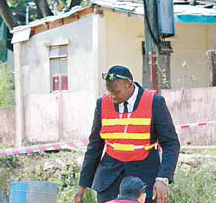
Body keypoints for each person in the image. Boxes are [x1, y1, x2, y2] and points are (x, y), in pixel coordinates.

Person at [74, 65, 180, 203]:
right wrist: (83, 185)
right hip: (109, 180)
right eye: (109, 91)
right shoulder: (102, 103)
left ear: (129, 84)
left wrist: (162, 178)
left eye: (116, 92)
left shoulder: (154, 102)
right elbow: (95, 146)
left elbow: (171, 143)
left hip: (144, 179)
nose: (112, 96)